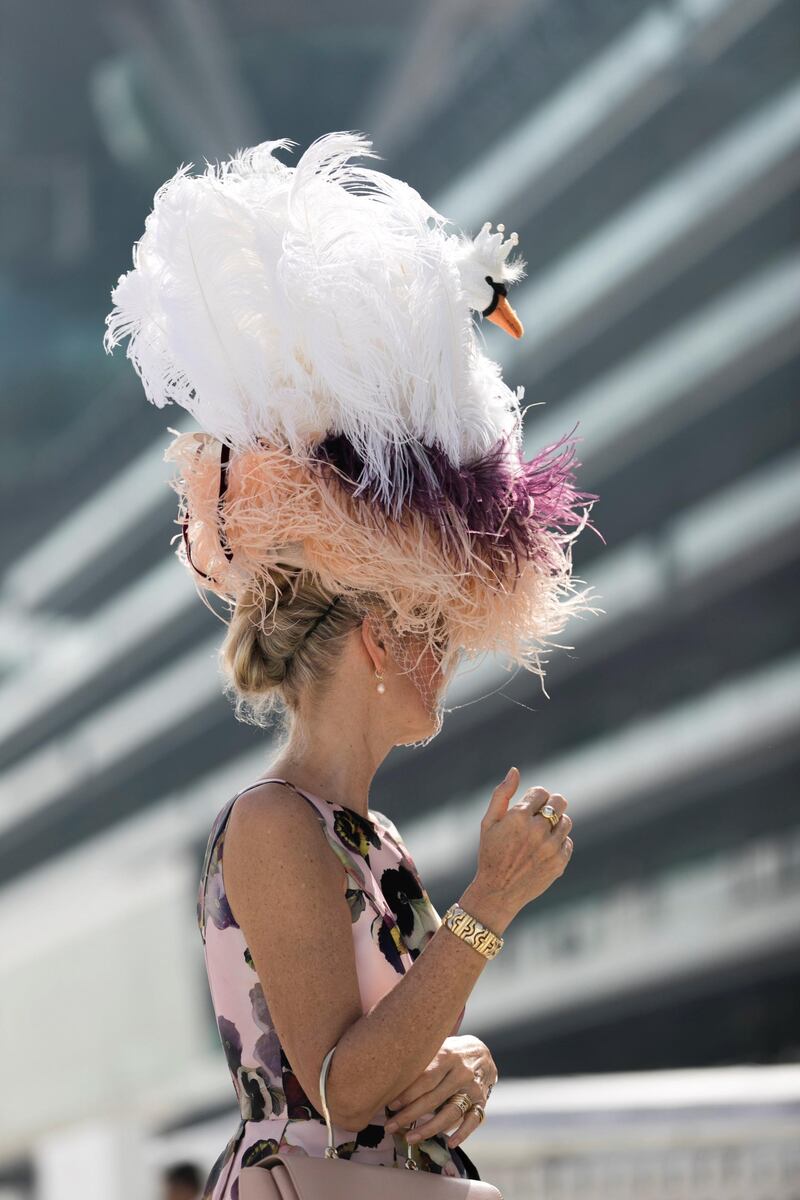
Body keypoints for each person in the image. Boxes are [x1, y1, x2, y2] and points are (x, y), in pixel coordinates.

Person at [103, 130, 603, 1197]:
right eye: (436, 631)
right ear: (378, 638)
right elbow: (335, 1089)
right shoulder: (276, 823)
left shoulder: (361, 835)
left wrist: (462, 1063)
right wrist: (494, 902)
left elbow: (381, 1066)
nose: (451, 658)